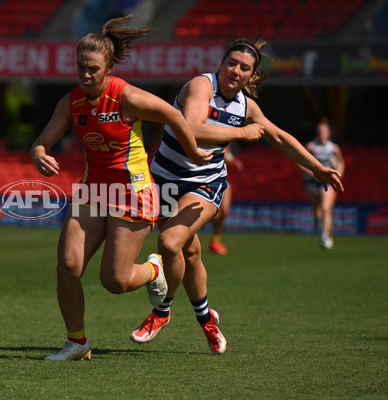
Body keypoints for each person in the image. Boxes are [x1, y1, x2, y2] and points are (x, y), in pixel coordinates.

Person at [130, 38, 344, 354]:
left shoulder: (247, 107)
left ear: (252, 76)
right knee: (189, 254)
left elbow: (280, 138)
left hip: (205, 185)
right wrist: (241, 133)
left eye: (245, 67)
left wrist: (317, 168)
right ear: (222, 62)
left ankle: (162, 312)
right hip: (163, 181)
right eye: (232, 62)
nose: (236, 70)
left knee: (170, 243)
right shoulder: (201, 86)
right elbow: (192, 127)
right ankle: (207, 319)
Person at [30, 16, 213, 361]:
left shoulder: (127, 96)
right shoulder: (71, 102)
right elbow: (42, 141)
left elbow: (175, 117)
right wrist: (39, 153)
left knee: (114, 282)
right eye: (81, 67)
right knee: (67, 267)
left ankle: (154, 270)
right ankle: (77, 342)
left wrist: (194, 152)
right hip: (91, 190)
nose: (85, 75)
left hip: (133, 192)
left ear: (109, 68)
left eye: (93, 69)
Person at [302, 118, 345, 249]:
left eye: (324, 131)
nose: (322, 133)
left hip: (327, 181)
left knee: (326, 208)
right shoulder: (310, 146)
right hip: (312, 181)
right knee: (317, 212)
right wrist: (310, 171)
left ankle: (326, 236)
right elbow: (298, 161)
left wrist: (338, 174)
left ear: (328, 133)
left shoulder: (334, 148)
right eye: (320, 131)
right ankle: (320, 223)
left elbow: (341, 162)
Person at [208, 145, 243, 255]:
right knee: (213, 214)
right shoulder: (210, 133)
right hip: (206, 178)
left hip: (222, 179)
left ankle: (215, 241)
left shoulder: (226, 136)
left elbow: (226, 154)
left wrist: (233, 161)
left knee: (224, 211)